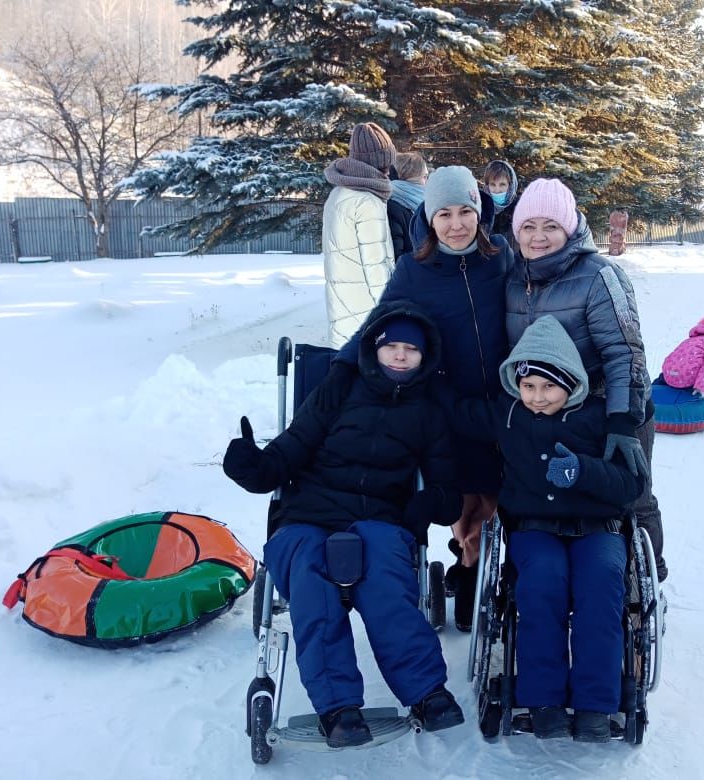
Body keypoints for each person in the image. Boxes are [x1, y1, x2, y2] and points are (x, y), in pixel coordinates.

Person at [222, 302, 465, 747]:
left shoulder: (430, 411)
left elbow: (449, 491)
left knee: (387, 584)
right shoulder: (339, 387)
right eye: (392, 345)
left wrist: (429, 502)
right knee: (312, 583)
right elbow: (289, 450)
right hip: (307, 514)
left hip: (381, 516)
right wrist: (251, 466)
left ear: (424, 357)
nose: (399, 355)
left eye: (411, 349)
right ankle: (337, 708)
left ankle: (427, 693)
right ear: (374, 348)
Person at [434, 315, 643, 742]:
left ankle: (595, 705)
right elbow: (456, 410)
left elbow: (632, 484)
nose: (537, 397)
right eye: (528, 386)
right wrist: (424, 373)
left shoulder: (601, 418)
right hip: (534, 528)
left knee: (601, 586)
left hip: (597, 527)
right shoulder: (506, 414)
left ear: (572, 383)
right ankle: (543, 699)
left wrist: (584, 471)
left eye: (549, 386)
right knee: (540, 585)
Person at [327, 165, 514, 632]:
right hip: (451, 404)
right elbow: (379, 321)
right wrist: (341, 368)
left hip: (508, 400)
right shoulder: (415, 269)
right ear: (430, 218)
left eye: (465, 211)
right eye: (444, 214)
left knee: (504, 496)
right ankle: (468, 563)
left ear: (480, 210)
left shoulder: (502, 257)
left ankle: (488, 570)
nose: (456, 224)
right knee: (467, 499)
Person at [505, 178, 667, 582]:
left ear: (570, 228)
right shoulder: (512, 279)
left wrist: (623, 421)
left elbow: (624, 352)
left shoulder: (599, 276)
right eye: (528, 226)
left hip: (610, 407)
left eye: (550, 226)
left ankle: (642, 582)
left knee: (632, 496)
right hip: (547, 406)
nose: (538, 237)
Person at [322, 122, 397, 349]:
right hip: (368, 315)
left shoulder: (338, 194)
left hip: (343, 308)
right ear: (379, 161)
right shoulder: (367, 202)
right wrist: (391, 308)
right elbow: (376, 265)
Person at [387, 151, 429, 260]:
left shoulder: (423, 205)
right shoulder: (393, 208)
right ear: (413, 178)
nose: (426, 182)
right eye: (424, 177)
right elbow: (397, 256)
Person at [481, 159, 519, 248]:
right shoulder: (481, 211)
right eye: (493, 185)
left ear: (510, 185)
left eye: (502, 185)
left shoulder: (520, 210)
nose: (497, 190)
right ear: (487, 186)